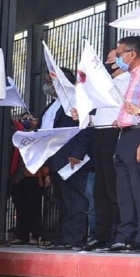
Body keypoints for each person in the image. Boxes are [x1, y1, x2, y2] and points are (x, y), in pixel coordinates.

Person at [98, 36, 140, 254]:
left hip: (139, 134)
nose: (117, 59)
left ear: (132, 54)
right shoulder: (133, 76)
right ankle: (125, 235)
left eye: (119, 54)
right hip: (124, 135)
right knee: (124, 190)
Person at [80, 47, 129, 251]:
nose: (106, 63)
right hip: (99, 133)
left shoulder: (127, 80)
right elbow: (103, 113)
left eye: (110, 59)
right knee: (100, 189)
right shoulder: (109, 83)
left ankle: (117, 232)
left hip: (113, 134)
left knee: (112, 187)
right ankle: (101, 233)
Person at [40, 68, 92, 250]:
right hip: (54, 158)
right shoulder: (53, 104)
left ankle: (76, 238)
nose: (47, 85)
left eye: (50, 80)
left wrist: (77, 153)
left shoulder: (75, 100)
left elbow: (84, 127)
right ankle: (63, 237)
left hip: (71, 159)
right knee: (62, 200)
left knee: (74, 199)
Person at [7, 111, 48, 246]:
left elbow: (45, 155)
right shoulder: (17, 133)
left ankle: (35, 235)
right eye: (25, 119)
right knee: (20, 206)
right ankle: (22, 234)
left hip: (33, 176)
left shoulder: (41, 135)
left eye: (32, 119)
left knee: (34, 206)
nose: (28, 121)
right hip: (18, 176)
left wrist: (47, 175)